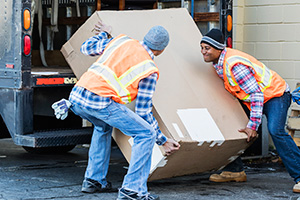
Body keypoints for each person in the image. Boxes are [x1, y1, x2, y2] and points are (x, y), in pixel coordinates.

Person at [52, 21, 180, 200]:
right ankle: (133, 190)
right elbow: (143, 112)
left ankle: (94, 181)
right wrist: (162, 140)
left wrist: (104, 34)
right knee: (146, 134)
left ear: (145, 38)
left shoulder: (121, 41)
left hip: (77, 97)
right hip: (100, 102)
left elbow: (86, 48)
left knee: (102, 126)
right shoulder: (149, 69)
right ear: (161, 50)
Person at [200, 28, 300, 193]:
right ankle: (235, 170)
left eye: (207, 48)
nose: (203, 52)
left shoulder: (234, 65)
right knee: (231, 123)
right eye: (202, 47)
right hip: (255, 99)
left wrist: (253, 125)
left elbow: (256, 94)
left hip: (275, 95)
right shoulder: (217, 62)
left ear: (218, 48)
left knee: (275, 130)